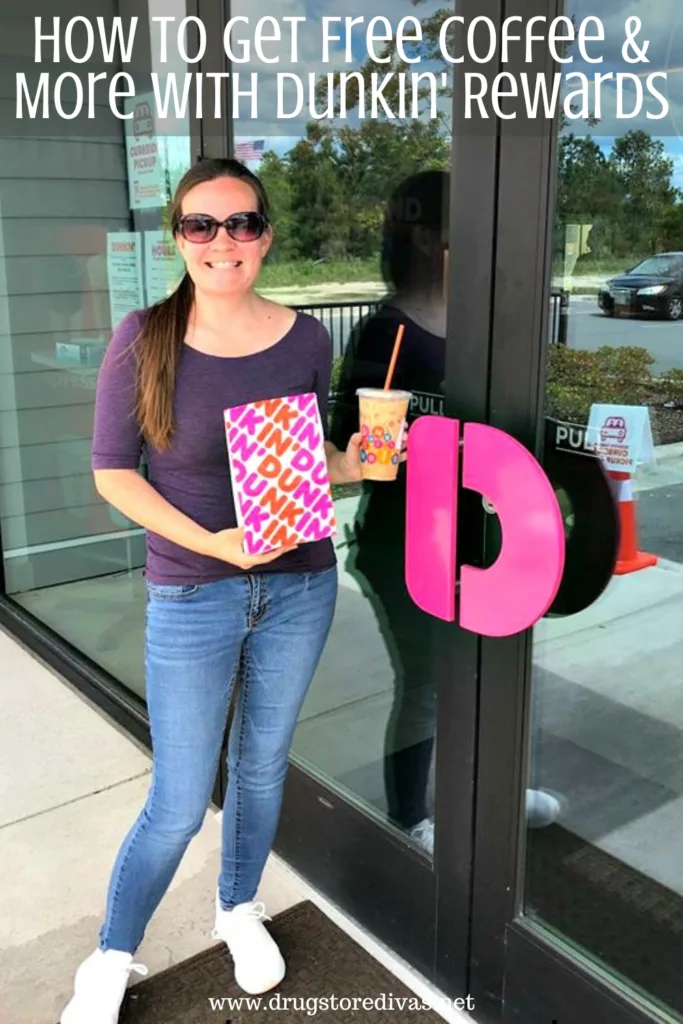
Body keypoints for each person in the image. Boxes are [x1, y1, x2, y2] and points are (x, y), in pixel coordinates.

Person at [60, 158, 365, 1024]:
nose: (221, 242)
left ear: (265, 235)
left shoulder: (307, 339)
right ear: (177, 238)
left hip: (300, 585)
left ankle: (238, 908)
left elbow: (308, 461)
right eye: (201, 225)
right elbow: (113, 473)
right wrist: (210, 542)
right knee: (181, 796)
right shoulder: (143, 337)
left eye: (240, 224)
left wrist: (361, 461)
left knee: (262, 768)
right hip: (193, 592)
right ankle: (114, 952)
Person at [330, 170, 561, 856]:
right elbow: (352, 445)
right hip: (404, 544)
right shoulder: (386, 330)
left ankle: (488, 787)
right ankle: (410, 817)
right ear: (427, 237)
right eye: (466, 228)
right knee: (428, 681)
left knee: (487, 666)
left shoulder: (483, 321)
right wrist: (383, 443)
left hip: (482, 539)